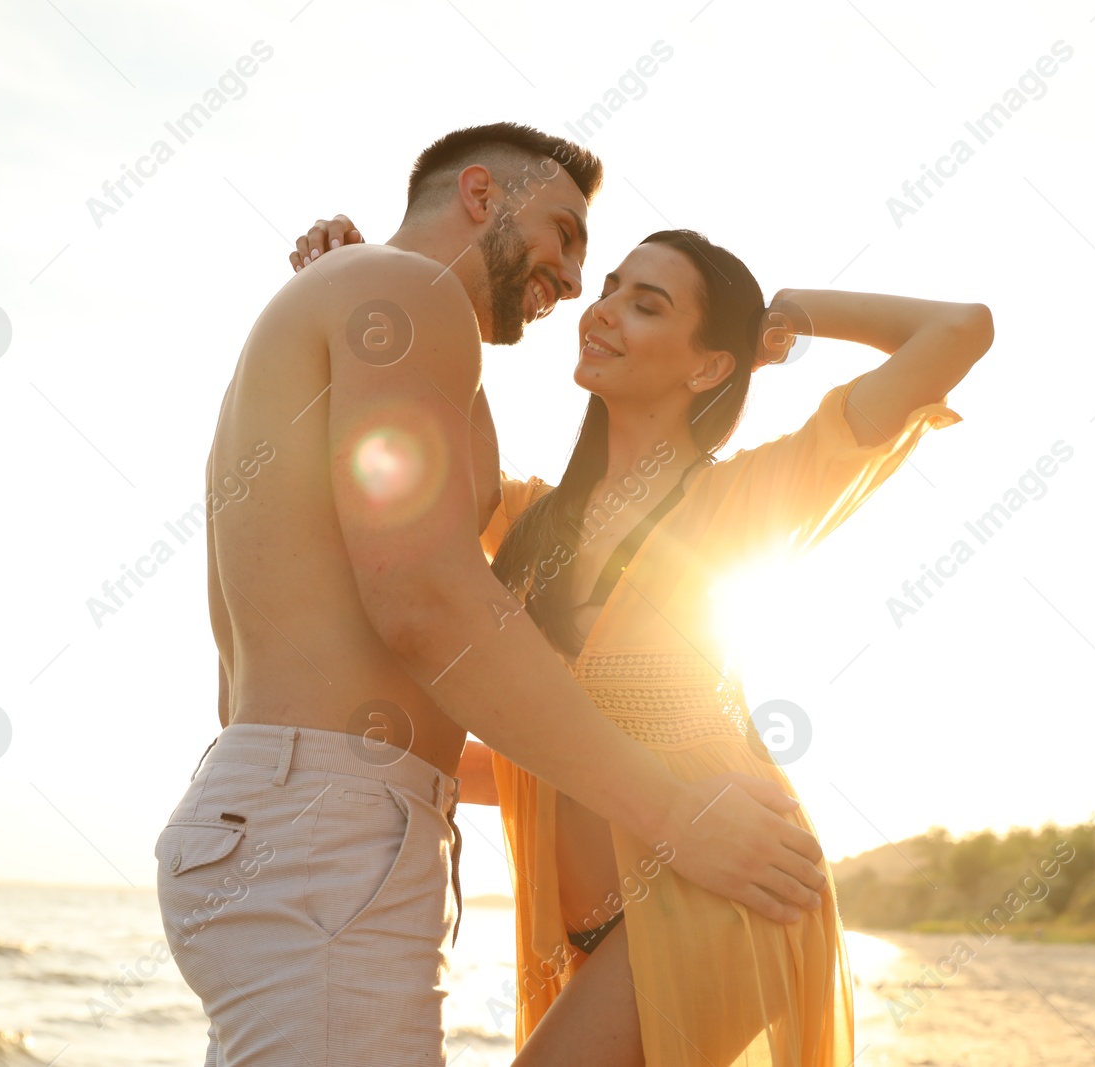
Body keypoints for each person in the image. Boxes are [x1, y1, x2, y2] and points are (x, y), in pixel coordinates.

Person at [155, 123, 829, 1067]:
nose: (566, 274)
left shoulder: (382, 310)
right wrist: (676, 817)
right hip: (324, 830)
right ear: (481, 195)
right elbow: (427, 602)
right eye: (562, 232)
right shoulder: (404, 295)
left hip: (292, 810)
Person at [290, 219, 993, 1064]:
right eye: (612, 287)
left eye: (646, 303)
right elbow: (415, 428)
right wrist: (363, 282)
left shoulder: (752, 497)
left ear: (708, 364)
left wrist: (788, 317)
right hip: (583, 935)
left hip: (722, 890)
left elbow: (959, 330)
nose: (606, 309)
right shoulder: (525, 520)